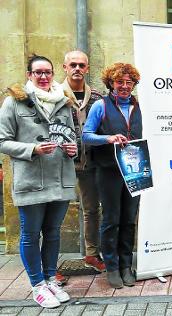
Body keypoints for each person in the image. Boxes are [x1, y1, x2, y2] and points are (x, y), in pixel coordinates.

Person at [0, 55, 76, 308]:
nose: (44, 77)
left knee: (53, 233)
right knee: (31, 234)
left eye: (48, 72)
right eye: (38, 72)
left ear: (53, 74)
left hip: (60, 178)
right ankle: (38, 285)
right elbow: (2, 141)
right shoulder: (14, 102)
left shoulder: (64, 102)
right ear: (29, 74)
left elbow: (71, 135)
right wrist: (32, 149)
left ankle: (50, 279)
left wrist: (73, 149)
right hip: (31, 180)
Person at [82, 62, 142, 289]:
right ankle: (112, 266)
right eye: (120, 82)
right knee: (111, 220)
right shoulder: (101, 106)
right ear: (111, 83)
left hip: (134, 170)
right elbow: (86, 135)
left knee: (129, 219)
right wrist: (107, 138)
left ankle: (127, 265)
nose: (125, 86)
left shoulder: (138, 106)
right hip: (108, 171)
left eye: (129, 82)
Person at [60, 51, 105, 277]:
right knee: (53, 211)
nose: (77, 68)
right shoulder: (54, 95)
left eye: (81, 65)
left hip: (90, 163)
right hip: (59, 163)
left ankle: (92, 254)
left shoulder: (96, 96)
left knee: (91, 210)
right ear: (65, 67)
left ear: (87, 68)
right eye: (73, 65)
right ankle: (48, 264)